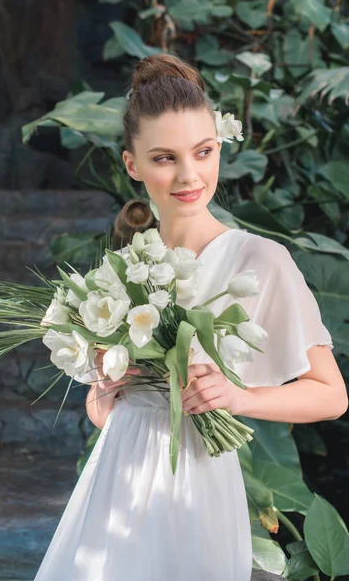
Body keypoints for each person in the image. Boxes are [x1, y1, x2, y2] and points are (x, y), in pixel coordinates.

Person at [33, 54, 348, 580]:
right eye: (164, 158)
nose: (190, 175)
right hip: (116, 482)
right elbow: (102, 410)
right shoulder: (122, 269)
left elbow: (332, 395)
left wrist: (240, 397)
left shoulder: (260, 261)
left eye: (203, 152)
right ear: (132, 164)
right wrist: (111, 384)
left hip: (199, 486)